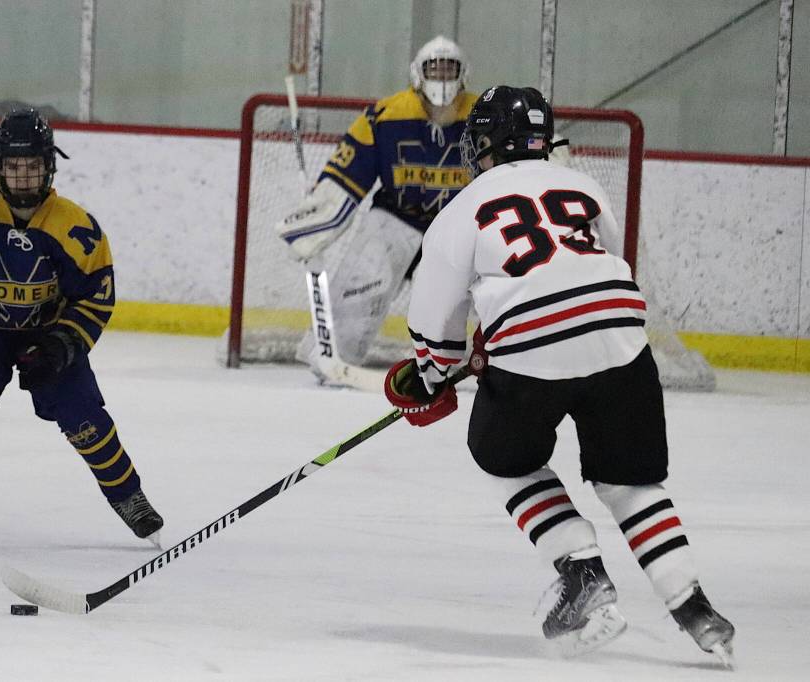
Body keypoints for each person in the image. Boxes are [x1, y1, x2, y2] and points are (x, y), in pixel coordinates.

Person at [383, 86, 735, 664]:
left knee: (504, 457)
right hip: (622, 340)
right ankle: (695, 607)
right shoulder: (584, 185)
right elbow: (602, 270)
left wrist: (432, 375)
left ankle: (581, 570)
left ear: (487, 143)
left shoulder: (462, 208)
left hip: (531, 354)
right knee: (631, 482)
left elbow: (434, 319)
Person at [0, 108, 164, 544]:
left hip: (47, 330)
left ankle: (129, 497)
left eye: (33, 167)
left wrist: (61, 345)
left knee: (84, 418)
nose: (22, 179)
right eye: (13, 168)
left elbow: (97, 298)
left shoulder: (75, 228)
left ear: (49, 168)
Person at [275, 35, 478, 378]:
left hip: (459, 228)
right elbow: (345, 177)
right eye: (435, 69)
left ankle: (500, 365)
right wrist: (317, 223)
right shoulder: (384, 116)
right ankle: (334, 358)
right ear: (418, 74)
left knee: (492, 295)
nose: (442, 78)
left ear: (463, 74)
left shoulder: (482, 114)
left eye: (449, 69)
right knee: (360, 287)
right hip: (397, 220)